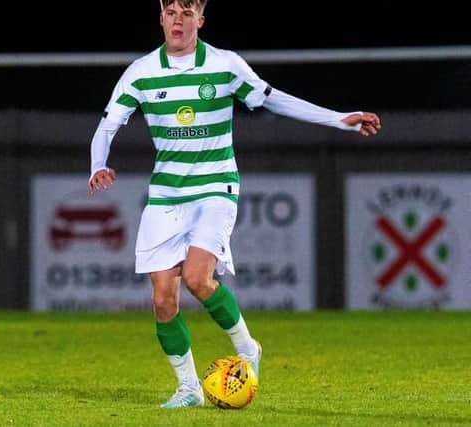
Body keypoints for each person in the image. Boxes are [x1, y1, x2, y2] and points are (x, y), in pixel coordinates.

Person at [88, 0, 381, 409]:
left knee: (196, 277)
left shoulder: (225, 66)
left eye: (186, 13)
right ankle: (189, 388)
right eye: (170, 12)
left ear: (200, 20)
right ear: (160, 19)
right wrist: (97, 165)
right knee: (161, 299)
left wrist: (338, 118)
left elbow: (275, 99)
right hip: (166, 194)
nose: (178, 20)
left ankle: (247, 349)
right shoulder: (141, 72)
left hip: (215, 188)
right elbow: (108, 125)